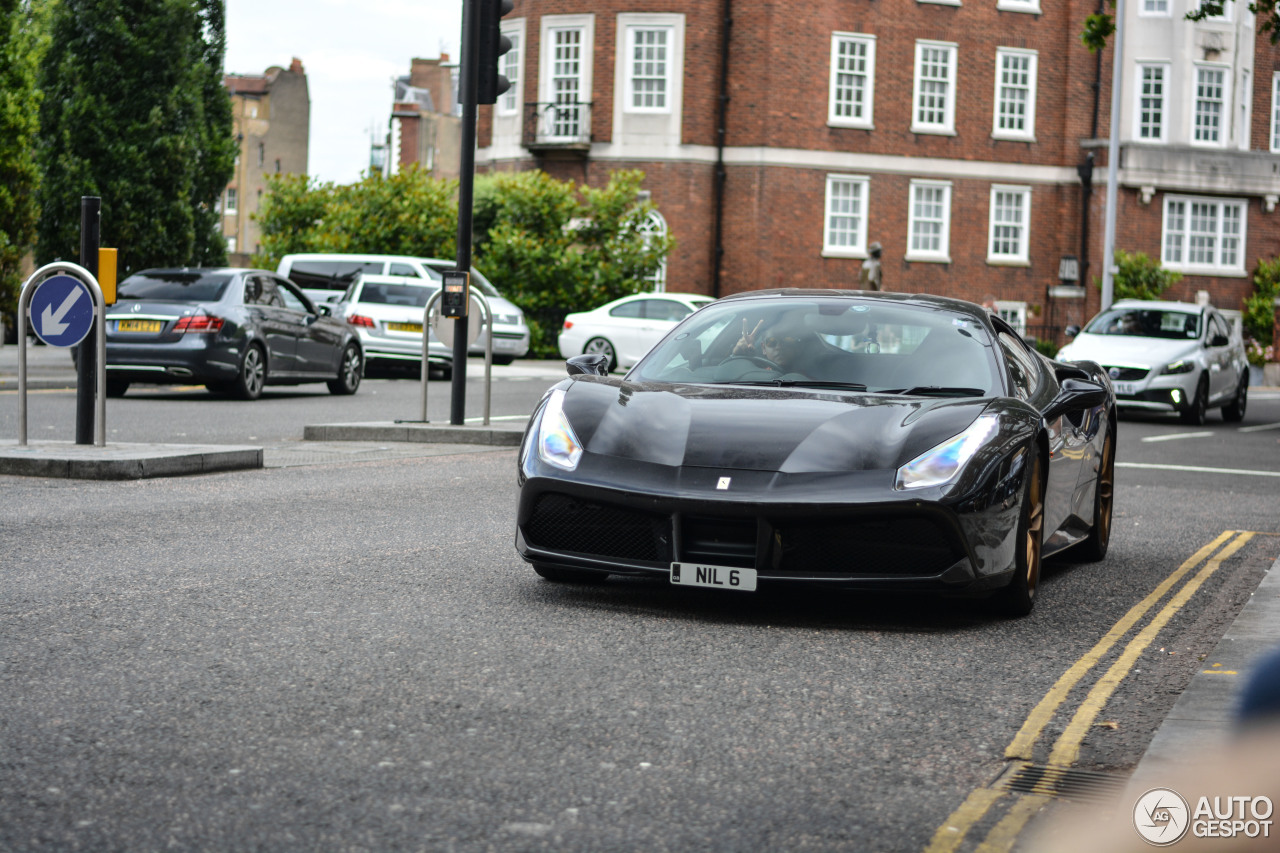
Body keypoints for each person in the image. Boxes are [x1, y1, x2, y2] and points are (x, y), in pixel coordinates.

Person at [729, 318, 810, 375]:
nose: (778, 347)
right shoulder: (754, 375)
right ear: (763, 348)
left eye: (786, 341)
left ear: (795, 346)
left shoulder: (807, 380)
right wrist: (737, 355)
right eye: (771, 342)